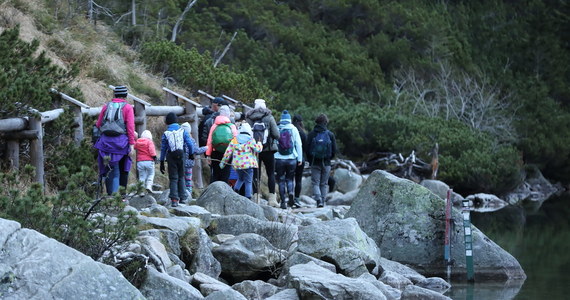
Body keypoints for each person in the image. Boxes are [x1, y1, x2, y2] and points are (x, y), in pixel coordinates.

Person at [94, 85, 135, 196]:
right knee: (122, 170)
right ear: (126, 95)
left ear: (114, 94)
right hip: (121, 144)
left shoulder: (106, 106)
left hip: (105, 144)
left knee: (109, 169)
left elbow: (98, 124)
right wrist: (132, 145)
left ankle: (109, 196)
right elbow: (130, 128)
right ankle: (120, 197)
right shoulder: (127, 108)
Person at [245, 99, 280, 207]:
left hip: (254, 150)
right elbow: (276, 134)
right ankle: (272, 199)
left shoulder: (249, 118)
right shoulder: (269, 117)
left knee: (256, 173)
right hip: (268, 149)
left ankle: (256, 197)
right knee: (270, 173)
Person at [159, 112, 195, 207]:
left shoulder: (166, 133)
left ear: (167, 122)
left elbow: (163, 148)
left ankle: (174, 199)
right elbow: (189, 143)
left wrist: (161, 161)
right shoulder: (183, 131)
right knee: (181, 176)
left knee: (173, 177)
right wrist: (191, 154)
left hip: (171, 156)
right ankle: (183, 197)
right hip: (181, 154)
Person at [219, 123, 262, 200]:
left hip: (238, 165)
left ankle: (235, 192)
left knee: (240, 179)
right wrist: (259, 143)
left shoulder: (234, 140)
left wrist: (222, 164)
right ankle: (248, 197)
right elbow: (258, 149)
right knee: (248, 182)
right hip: (248, 165)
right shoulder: (250, 140)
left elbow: (227, 153)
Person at [306, 113, 337, 207]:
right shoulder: (330, 134)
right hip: (326, 162)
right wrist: (329, 158)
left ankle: (318, 200)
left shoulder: (311, 134)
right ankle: (322, 202)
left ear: (316, 122)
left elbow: (306, 149)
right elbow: (334, 150)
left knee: (315, 183)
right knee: (324, 183)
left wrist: (310, 160)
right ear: (325, 122)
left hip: (315, 162)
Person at [274, 110, 303, 209]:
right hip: (291, 158)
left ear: (281, 119)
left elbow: (273, 143)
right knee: (290, 178)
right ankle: (291, 193)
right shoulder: (293, 128)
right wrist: (300, 158)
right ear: (289, 119)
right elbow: (298, 144)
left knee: (281, 180)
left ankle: (283, 202)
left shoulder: (277, 128)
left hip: (278, 158)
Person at [206, 105, 238, 183]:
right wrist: (236, 155)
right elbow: (236, 141)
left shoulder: (214, 126)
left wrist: (208, 155)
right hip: (227, 153)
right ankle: (224, 192)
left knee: (215, 173)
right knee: (225, 173)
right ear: (228, 114)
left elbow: (209, 141)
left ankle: (213, 192)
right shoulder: (232, 126)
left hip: (215, 151)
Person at [181, 122, 207, 199]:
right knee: (188, 181)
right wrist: (206, 148)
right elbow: (197, 151)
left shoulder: (179, 139)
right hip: (189, 165)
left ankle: (181, 194)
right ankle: (188, 196)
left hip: (180, 164)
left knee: (181, 180)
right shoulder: (191, 140)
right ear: (189, 131)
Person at [292, 114, 308, 205]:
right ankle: (296, 199)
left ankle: (288, 195)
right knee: (298, 179)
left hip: (288, 157)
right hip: (300, 158)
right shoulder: (302, 133)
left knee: (289, 178)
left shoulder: (289, 129)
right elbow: (305, 148)